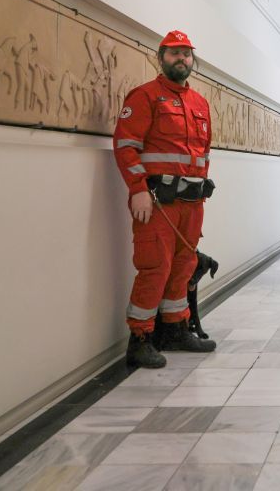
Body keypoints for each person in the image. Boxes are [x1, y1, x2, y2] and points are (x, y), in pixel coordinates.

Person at [113, 30, 217, 368]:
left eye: (186, 53)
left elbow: (203, 153)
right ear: (161, 58)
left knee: (184, 267)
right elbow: (126, 146)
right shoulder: (145, 96)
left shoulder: (200, 103)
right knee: (155, 267)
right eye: (174, 53)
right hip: (157, 201)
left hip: (191, 203)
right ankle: (141, 339)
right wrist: (138, 189)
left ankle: (174, 330)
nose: (181, 59)